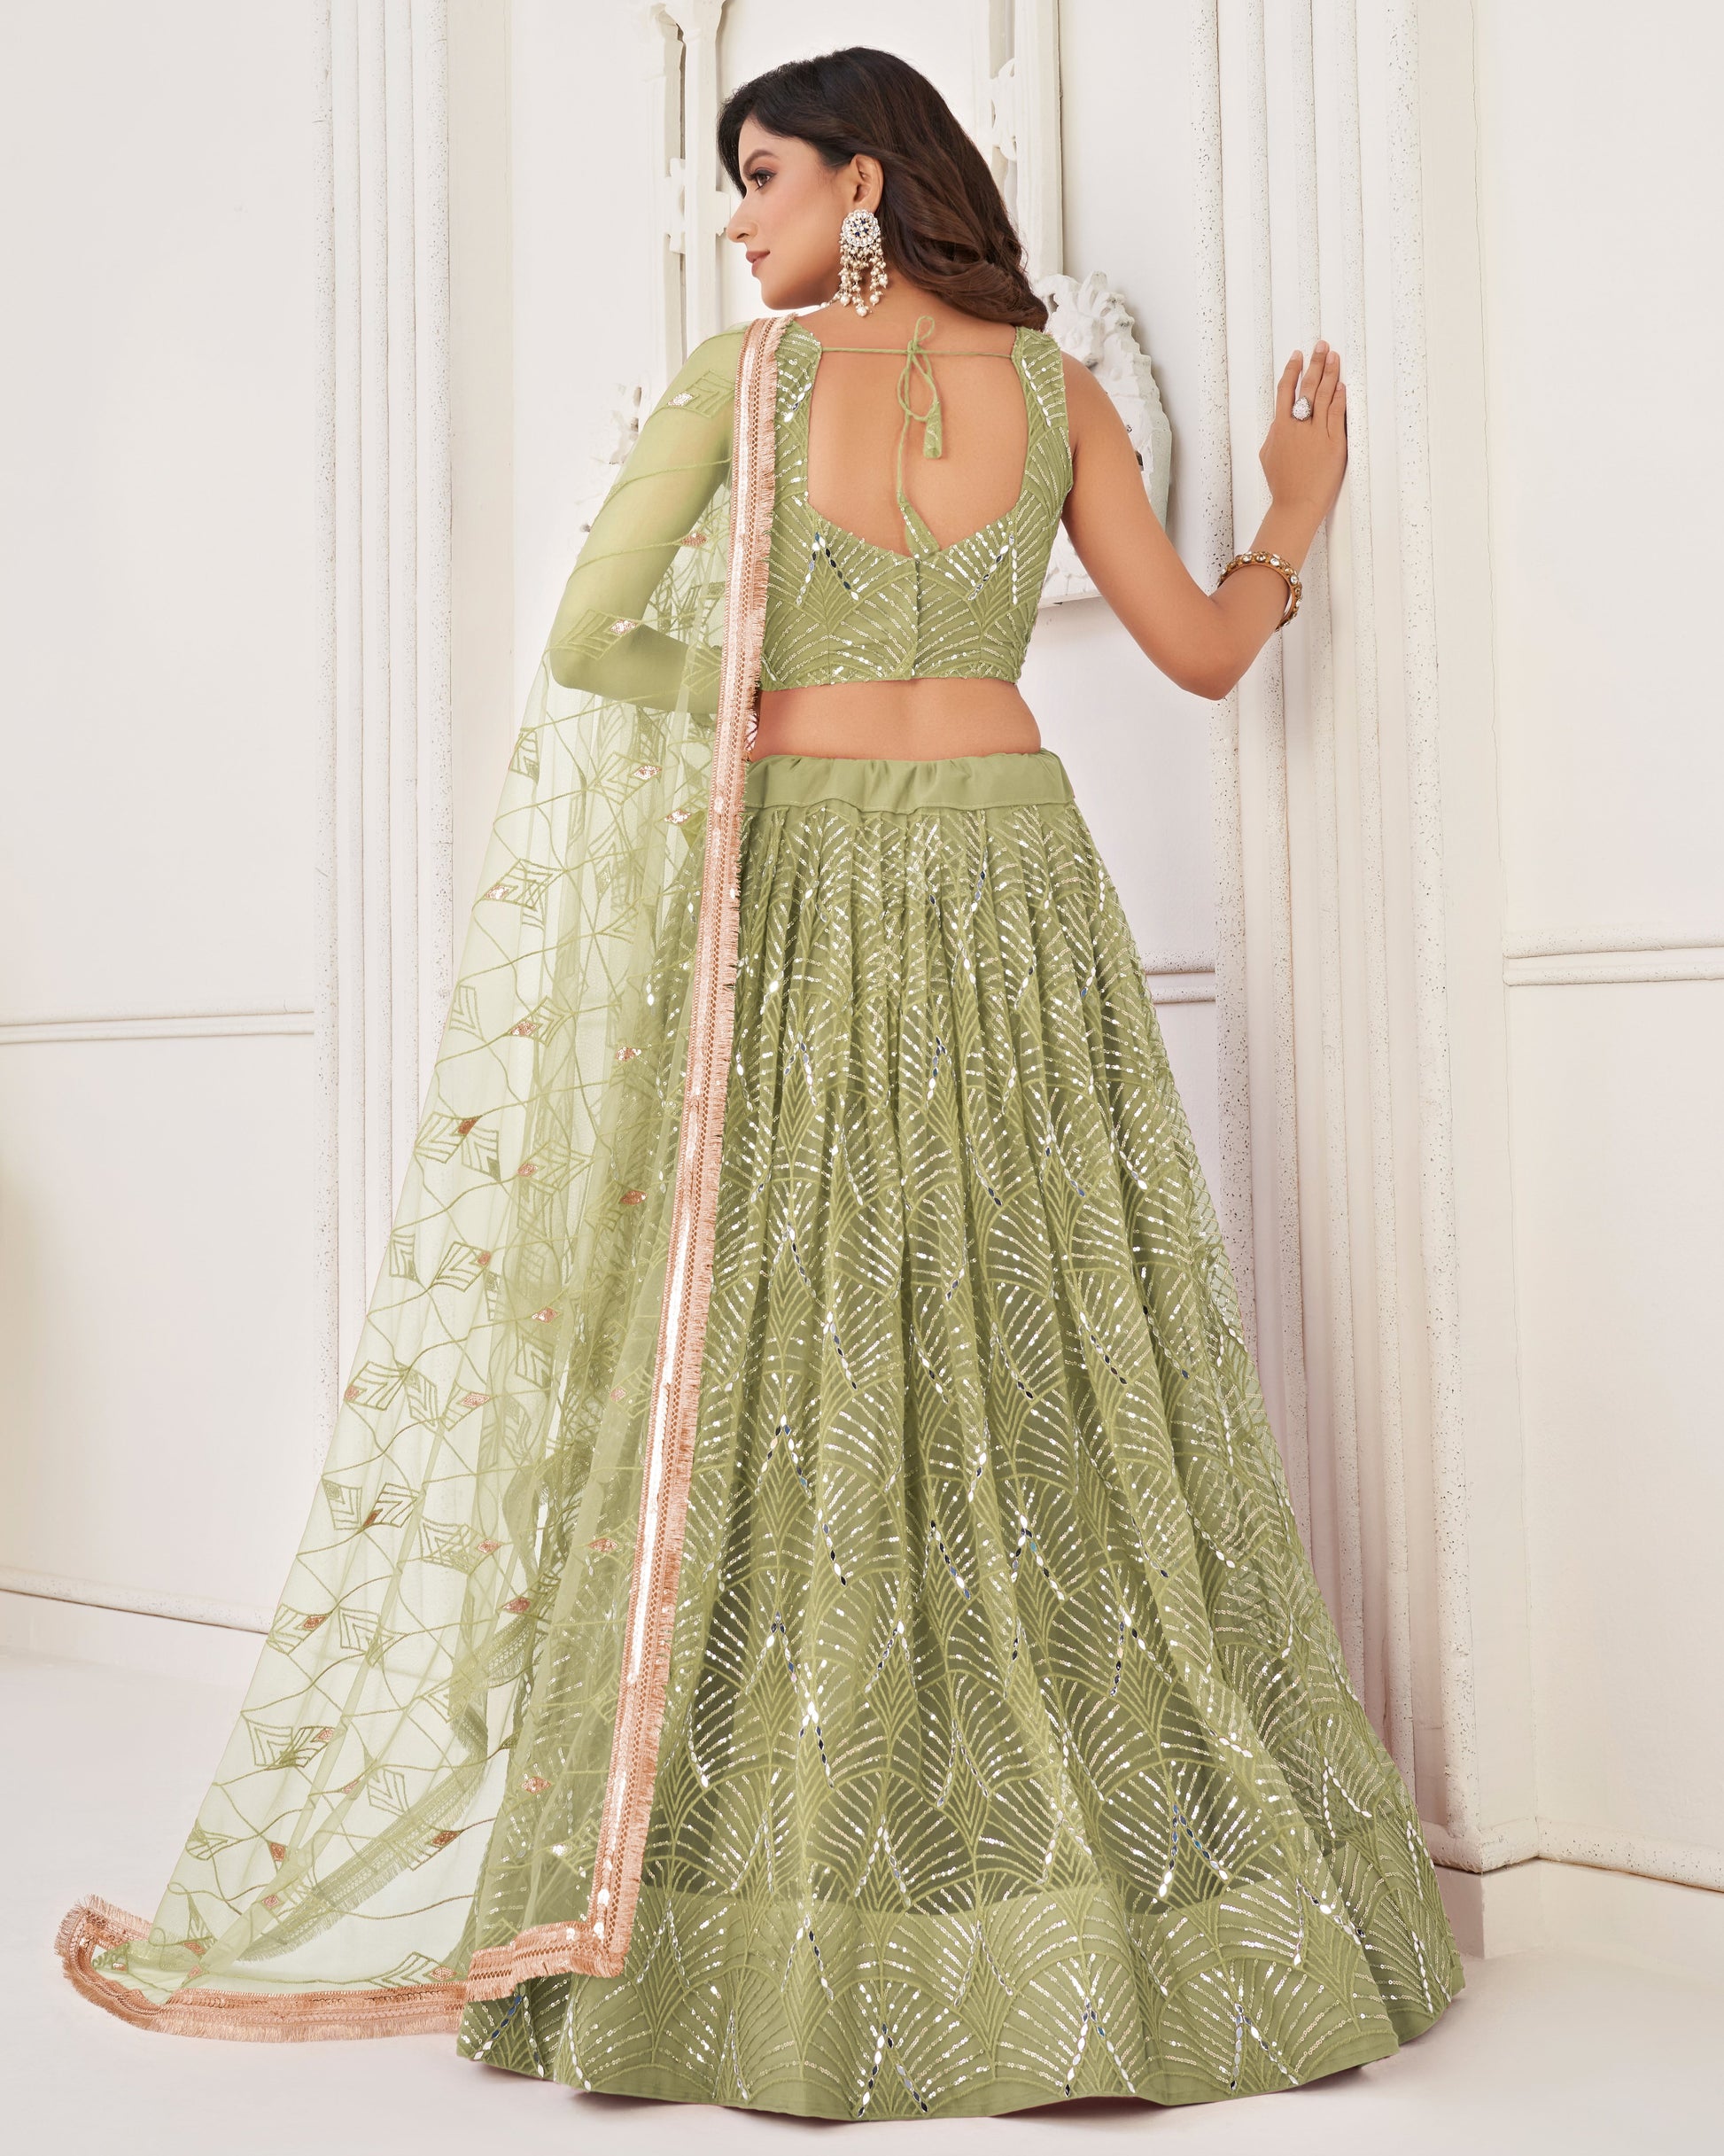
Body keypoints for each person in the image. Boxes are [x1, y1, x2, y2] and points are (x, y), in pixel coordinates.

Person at [58, 45, 1461, 2121]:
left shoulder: (744, 387)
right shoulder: (1055, 389)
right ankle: (1093, 1895)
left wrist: (758, 683)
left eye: (762, 173)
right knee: (1042, 1343)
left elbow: (585, 644)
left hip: (809, 879)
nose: (737, 216)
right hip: (1008, 879)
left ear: (866, 180)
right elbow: (1199, 649)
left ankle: (763, 1895)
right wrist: (1292, 517)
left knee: (790, 1353)